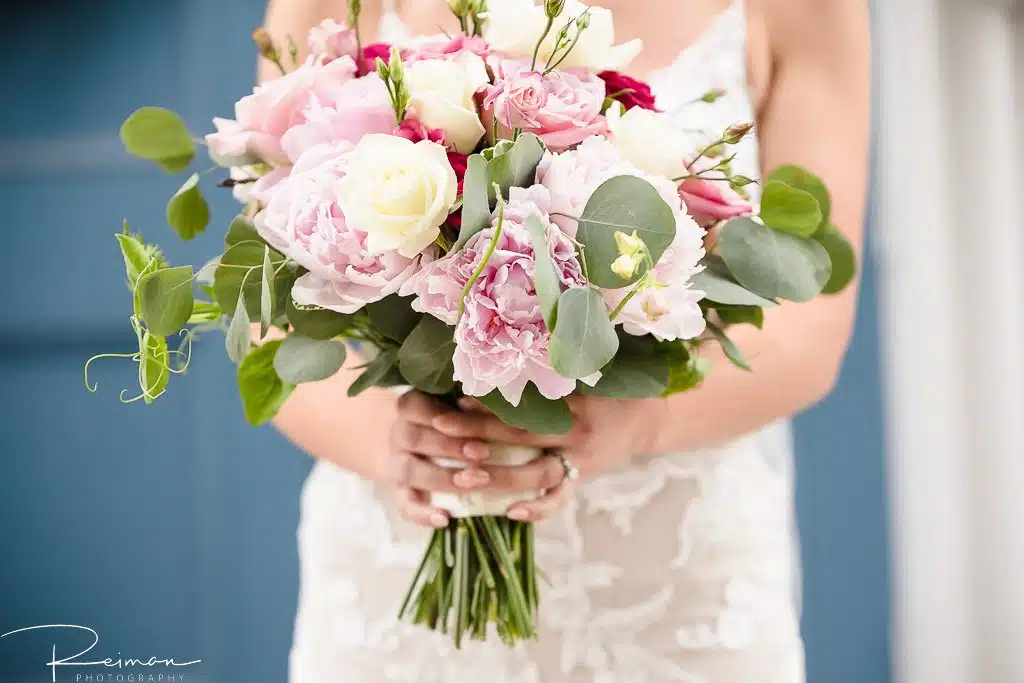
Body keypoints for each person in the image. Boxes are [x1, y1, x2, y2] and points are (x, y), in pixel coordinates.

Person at [259, 1, 870, 681]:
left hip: (675, 582)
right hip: (397, 567)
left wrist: (642, 421)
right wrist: (404, 447)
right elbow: (269, 316)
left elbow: (809, 326)